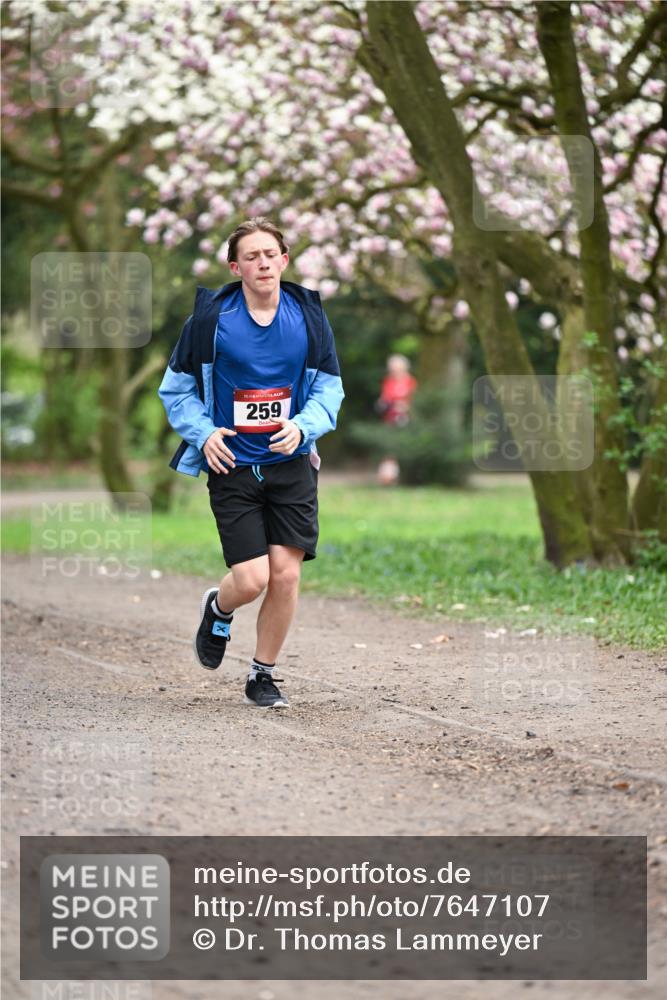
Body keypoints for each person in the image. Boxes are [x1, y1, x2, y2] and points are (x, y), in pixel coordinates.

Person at [158, 218, 344, 708]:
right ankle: (218, 609)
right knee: (252, 579)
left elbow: (329, 387)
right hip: (233, 465)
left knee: (286, 575)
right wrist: (205, 432)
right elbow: (176, 390)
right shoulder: (209, 322)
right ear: (235, 266)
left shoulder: (307, 318)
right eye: (252, 256)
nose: (263, 263)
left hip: (291, 464)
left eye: (271, 254)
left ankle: (262, 676)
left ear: (284, 260)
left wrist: (304, 426)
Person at [375, 354, 417, 485]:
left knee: (402, 448)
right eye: (392, 369)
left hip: (406, 420)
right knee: (389, 449)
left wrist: (405, 406)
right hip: (389, 419)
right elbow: (384, 398)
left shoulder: (411, 381)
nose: (394, 371)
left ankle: (404, 476)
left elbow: (415, 401)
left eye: (396, 368)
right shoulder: (388, 381)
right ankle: (388, 477)